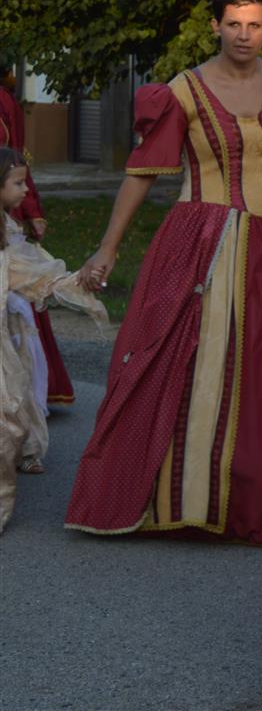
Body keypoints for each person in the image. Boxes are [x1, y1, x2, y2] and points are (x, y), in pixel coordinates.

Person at [64, 0, 262, 545]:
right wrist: (107, 247)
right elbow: (142, 174)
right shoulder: (182, 91)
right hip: (203, 238)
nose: (244, 35)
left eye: (254, 25)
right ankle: (187, 494)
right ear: (215, 26)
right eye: (233, 24)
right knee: (184, 358)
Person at [0, 147, 107, 533]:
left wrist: (74, 281)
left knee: (10, 412)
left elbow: (33, 271)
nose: (26, 190)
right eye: (18, 183)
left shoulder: (8, 231)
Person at [0, 81, 74, 407]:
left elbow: (16, 160)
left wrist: (31, 209)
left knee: (17, 302)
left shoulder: (3, 101)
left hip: (4, 207)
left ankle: (22, 396)